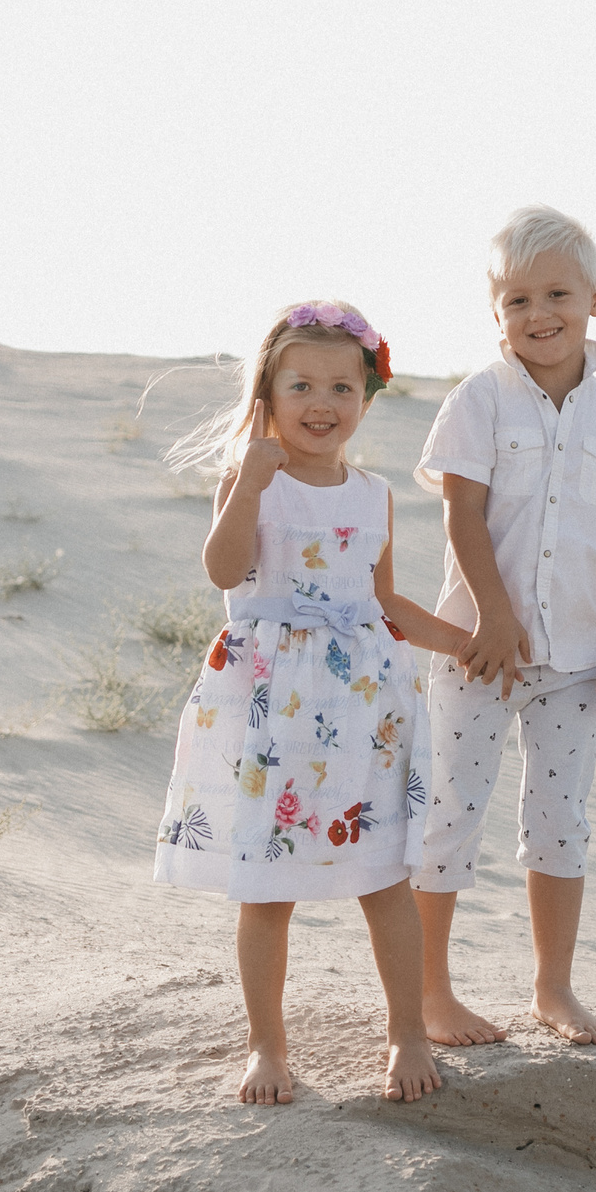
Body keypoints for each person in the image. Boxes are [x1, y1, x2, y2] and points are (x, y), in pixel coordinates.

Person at [154, 301, 473, 1104]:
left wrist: (466, 642)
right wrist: (250, 483)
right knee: (267, 886)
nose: (322, 403)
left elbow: (386, 602)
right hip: (274, 710)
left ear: (366, 397)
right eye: (301, 385)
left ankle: (404, 1031)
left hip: (364, 710)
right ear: (267, 393)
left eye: (342, 386)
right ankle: (267, 1045)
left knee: (385, 874)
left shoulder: (374, 495)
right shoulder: (250, 479)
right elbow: (226, 573)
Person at [411, 207, 596, 1046]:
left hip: (577, 658)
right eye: (516, 299)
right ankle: (430, 993)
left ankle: (552, 987)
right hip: (477, 650)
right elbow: (463, 514)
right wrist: (491, 614)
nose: (538, 313)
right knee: (451, 809)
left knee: (561, 816)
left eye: (556, 292)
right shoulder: (477, 401)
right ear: (496, 314)